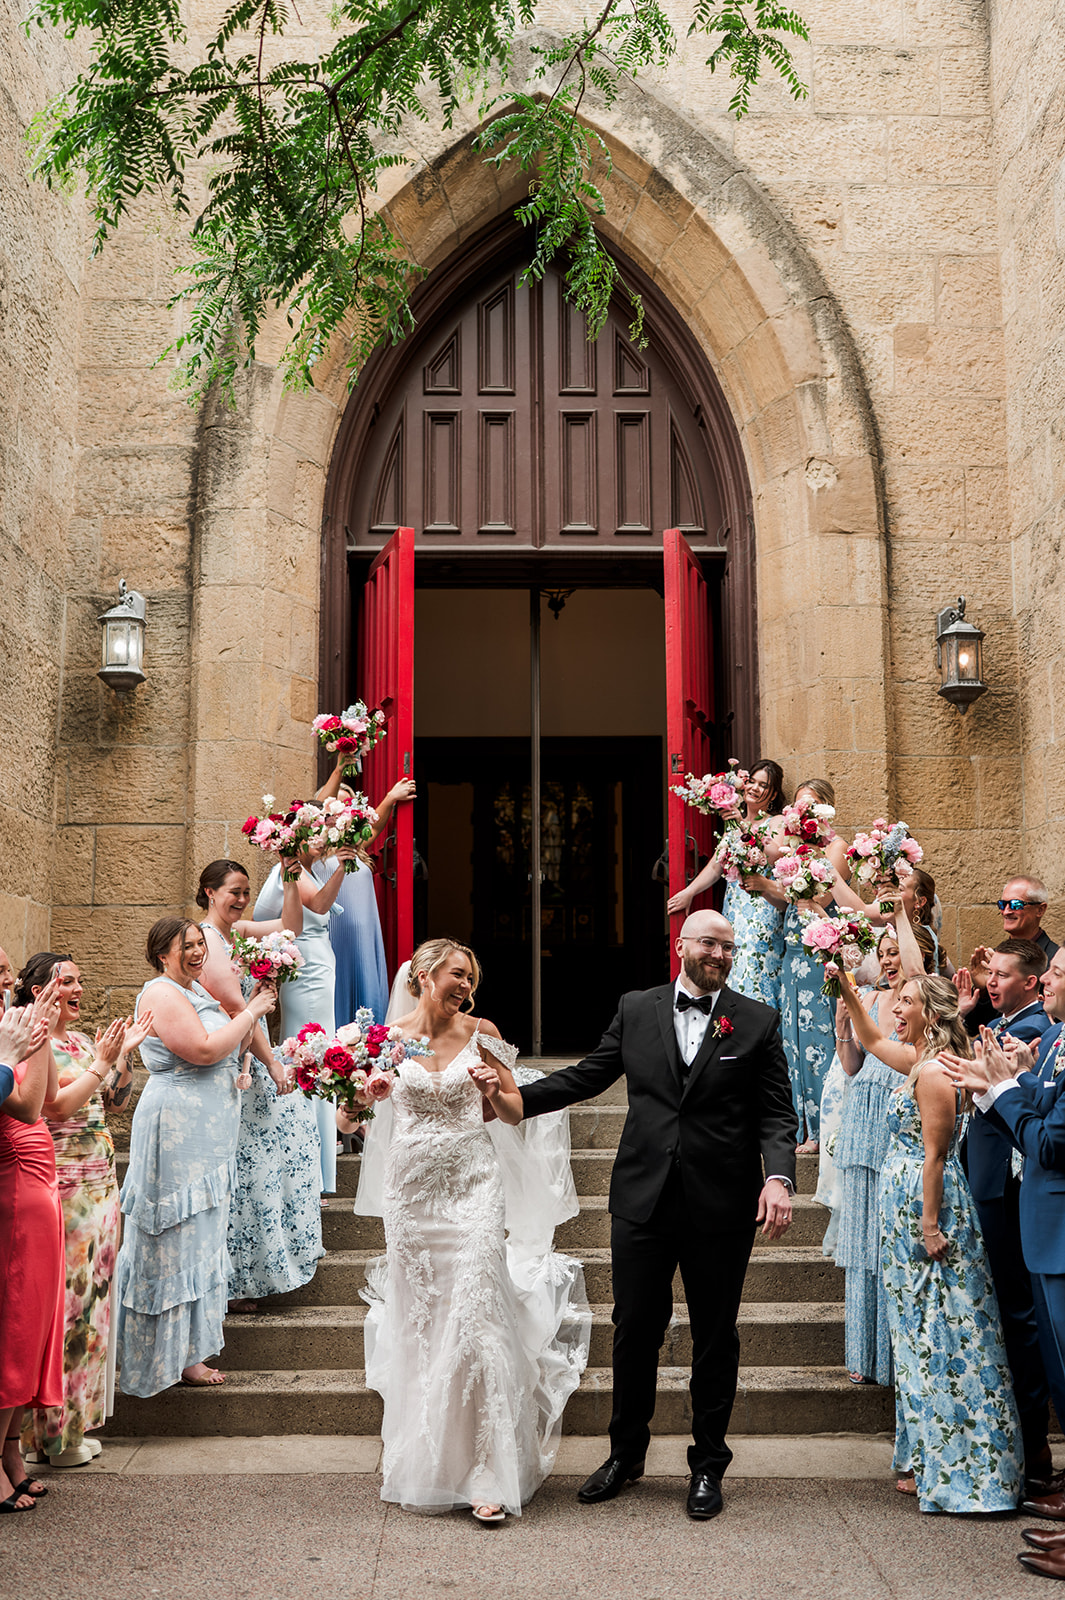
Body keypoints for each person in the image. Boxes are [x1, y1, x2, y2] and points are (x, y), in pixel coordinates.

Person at [519, 908, 796, 1521]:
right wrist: (513, 1100)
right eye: (709, 943)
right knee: (634, 1330)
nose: (719, 954)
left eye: (728, 947)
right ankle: (626, 1455)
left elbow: (776, 1112)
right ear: (681, 946)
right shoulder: (636, 1008)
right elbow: (589, 1075)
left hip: (721, 1204)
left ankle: (708, 1465)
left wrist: (777, 1176)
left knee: (715, 1336)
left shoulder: (756, 1020)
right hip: (642, 1200)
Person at [354, 938, 589, 1523]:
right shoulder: (384, 1041)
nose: (465, 986)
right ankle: (432, 1462)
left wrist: (491, 1091)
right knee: (425, 1323)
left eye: (470, 978)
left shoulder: (483, 1032)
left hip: (474, 1186)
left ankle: (488, 1470)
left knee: (478, 1316)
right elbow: (346, 1117)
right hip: (411, 1196)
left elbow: (514, 1111)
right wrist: (364, 1097)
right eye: (456, 975)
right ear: (424, 974)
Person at [836, 969, 1023, 1513]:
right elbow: (870, 1039)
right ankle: (927, 1457)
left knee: (942, 1334)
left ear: (933, 1014)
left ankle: (966, 1472)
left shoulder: (937, 1072)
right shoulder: (919, 1059)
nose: (896, 1010)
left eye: (906, 1003)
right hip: (904, 1214)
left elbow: (936, 1156)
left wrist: (930, 1225)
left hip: (929, 1217)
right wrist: (842, 979)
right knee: (916, 1337)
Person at [113, 919, 275, 1395]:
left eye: (201, 943)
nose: (198, 950)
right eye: (187, 945)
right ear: (162, 954)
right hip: (177, 1134)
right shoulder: (161, 993)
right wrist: (251, 1011)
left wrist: (248, 1010)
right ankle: (166, 1355)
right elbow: (203, 1051)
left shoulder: (196, 991)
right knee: (176, 1239)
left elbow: (230, 1046)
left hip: (208, 1137)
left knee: (201, 1238)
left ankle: (191, 1350)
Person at [943, 950, 1065, 1570]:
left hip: (1049, 1223)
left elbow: (1049, 1139)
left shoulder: (1050, 1031)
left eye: (1057, 974)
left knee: (1052, 1358)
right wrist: (1014, 1079)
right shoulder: (1048, 1037)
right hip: (1037, 1219)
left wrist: (1002, 1088)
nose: (1049, 982)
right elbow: (1046, 1100)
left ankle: (1043, 1469)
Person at [13, 953, 151, 1469]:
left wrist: (122, 1056)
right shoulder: (35, 1041)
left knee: (93, 1307)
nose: (77, 988)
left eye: (78, 980)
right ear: (38, 991)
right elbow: (57, 1107)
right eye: (66, 981)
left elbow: (114, 1102)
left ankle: (71, 1427)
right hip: (65, 1188)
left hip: (101, 1187)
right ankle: (53, 1436)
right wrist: (102, 1063)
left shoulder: (81, 1040)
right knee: (69, 1310)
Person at [196, 860, 323, 1308]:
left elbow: (292, 926)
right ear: (210, 892)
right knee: (251, 1168)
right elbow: (238, 1011)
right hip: (241, 1063)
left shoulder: (236, 933)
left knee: (273, 1159)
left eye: (247, 892)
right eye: (234, 891)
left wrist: (290, 876)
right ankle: (235, 1282)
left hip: (256, 1053)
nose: (242, 899)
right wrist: (272, 1064)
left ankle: (258, 1270)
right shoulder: (206, 942)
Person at [833, 915, 933, 1385]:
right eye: (882, 953)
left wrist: (899, 915)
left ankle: (893, 1360)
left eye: (896, 952)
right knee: (861, 1245)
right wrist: (842, 1027)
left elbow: (915, 969)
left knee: (888, 1245)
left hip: (897, 1129)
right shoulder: (869, 1000)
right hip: (860, 1122)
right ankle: (862, 1354)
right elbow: (853, 1065)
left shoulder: (920, 1002)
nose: (889, 961)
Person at [253, 838, 358, 1197]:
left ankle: (314, 1171)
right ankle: (307, 1173)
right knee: (310, 1060)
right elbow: (320, 904)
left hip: (316, 968)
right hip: (307, 972)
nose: (321, 840)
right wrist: (343, 867)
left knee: (318, 1061)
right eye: (312, 833)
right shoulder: (291, 873)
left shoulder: (305, 872)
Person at [0, 987, 61, 1514]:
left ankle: (10, 1453)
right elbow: (27, 1108)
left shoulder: (13, 1031)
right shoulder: (9, 1039)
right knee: (15, 1329)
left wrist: (37, 1039)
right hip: (13, 1190)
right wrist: (30, 1043)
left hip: (39, 1190)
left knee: (34, 1326)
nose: (4, 980)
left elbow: (44, 1095)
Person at [667, 759, 787, 1007]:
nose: (754, 788)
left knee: (756, 968)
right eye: (751, 781)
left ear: (774, 794)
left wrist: (742, 824)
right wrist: (689, 892)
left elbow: (775, 855)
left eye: (763, 785)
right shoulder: (733, 825)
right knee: (730, 966)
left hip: (762, 909)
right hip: (734, 909)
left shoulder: (776, 822)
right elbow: (716, 865)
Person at [774, 778, 851, 1151]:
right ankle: (799, 1126)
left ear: (826, 808)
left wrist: (804, 853)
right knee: (792, 1040)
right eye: (798, 804)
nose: (803, 810)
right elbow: (784, 896)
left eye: (811, 804)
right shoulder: (791, 846)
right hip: (792, 953)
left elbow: (818, 894)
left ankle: (823, 1129)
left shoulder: (837, 847)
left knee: (820, 1037)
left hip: (820, 951)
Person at [314, 761, 417, 1027]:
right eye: (335, 804)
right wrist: (339, 767)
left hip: (363, 938)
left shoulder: (355, 846)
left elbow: (374, 828)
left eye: (346, 805)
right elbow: (319, 807)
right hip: (334, 935)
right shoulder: (315, 849)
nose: (341, 810)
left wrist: (391, 798)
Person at [960, 876, 1060, 1035]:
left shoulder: (1056, 961)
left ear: (1040, 910)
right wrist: (983, 991)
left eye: (1016, 904)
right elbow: (975, 1028)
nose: (1006, 911)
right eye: (1002, 904)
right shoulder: (994, 957)